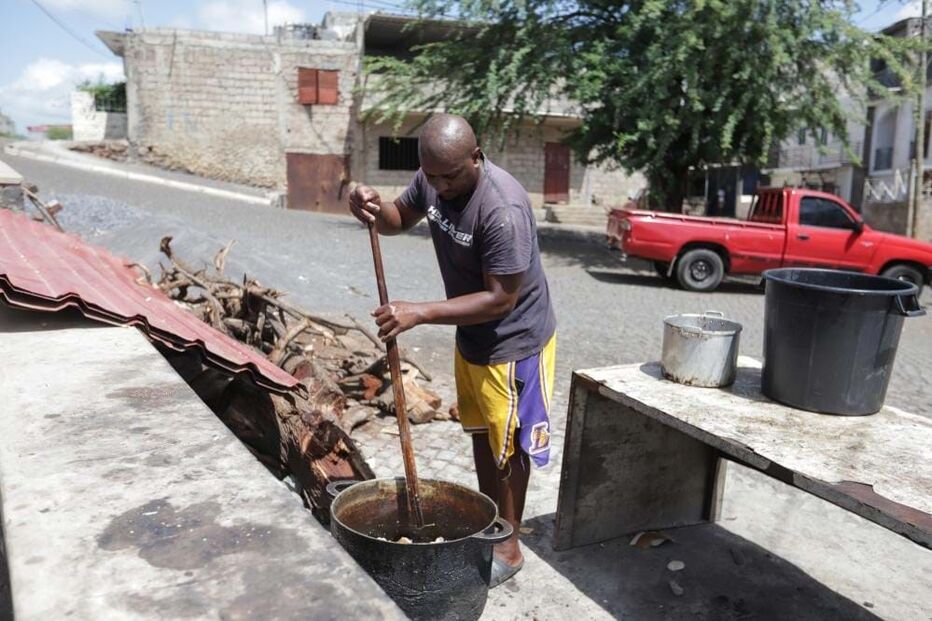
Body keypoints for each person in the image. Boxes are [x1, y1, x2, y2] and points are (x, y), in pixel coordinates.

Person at [348, 114, 556, 588]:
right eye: (432, 176)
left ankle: (508, 544)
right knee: (482, 435)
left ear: (476, 158)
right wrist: (369, 204)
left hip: (515, 341)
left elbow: (501, 297)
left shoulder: (502, 211)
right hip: (473, 336)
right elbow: (397, 220)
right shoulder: (433, 177)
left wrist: (419, 312)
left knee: (511, 447)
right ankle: (489, 524)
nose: (439, 187)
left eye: (450, 176)